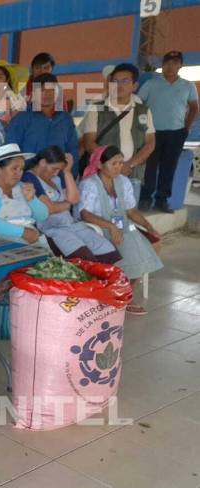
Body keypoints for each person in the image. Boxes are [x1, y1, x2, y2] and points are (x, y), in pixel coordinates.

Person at [78, 145, 163, 314]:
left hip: (122, 226)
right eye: (113, 163)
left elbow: (131, 211)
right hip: (99, 228)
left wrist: (148, 226)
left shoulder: (123, 182)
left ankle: (125, 293)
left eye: (120, 163)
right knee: (131, 248)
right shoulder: (90, 185)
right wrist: (109, 226)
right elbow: (84, 214)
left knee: (154, 243)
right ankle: (121, 296)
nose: (118, 167)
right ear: (100, 165)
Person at [22, 146, 120, 263]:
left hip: (72, 225)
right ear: (42, 162)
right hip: (53, 229)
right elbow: (49, 208)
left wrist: (67, 172)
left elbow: (74, 199)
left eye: (60, 170)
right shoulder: (30, 177)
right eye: (54, 169)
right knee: (85, 259)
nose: (56, 173)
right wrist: (66, 204)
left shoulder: (56, 178)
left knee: (107, 250)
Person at [81, 63, 155, 200]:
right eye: (115, 81)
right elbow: (89, 142)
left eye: (125, 81)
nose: (119, 85)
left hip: (132, 173)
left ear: (135, 85)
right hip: (103, 174)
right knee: (101, 212)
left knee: (129, 213)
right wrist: (113, 165)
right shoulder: (97, 109)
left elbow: (150, 143)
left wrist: (129, 164)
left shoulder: (143, 110)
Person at [137, 51, 199, 213]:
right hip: (153, 134)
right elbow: (139, 104)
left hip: (176, 133)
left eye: (174, 63)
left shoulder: (188, 85)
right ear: (162, 66)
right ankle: (145, 199)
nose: (169, 66)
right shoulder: (151, 84)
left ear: (180, 66)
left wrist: (186, 128)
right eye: (166, 63)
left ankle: (162, 200)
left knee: (168, 167)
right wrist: (142, 126)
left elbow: (194, 108)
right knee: (149, 167)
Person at [7, 73, 79, 175]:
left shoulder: (66, 119)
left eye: (51, 90)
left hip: (58, 181)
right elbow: (11, 152)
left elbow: (73, 150)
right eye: (41, 90)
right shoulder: (21, 119)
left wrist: (71, 176)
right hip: (27, 180)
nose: (46, 94)